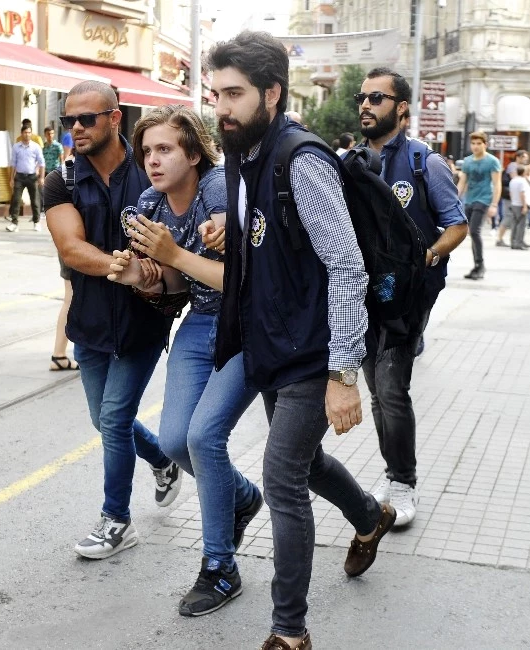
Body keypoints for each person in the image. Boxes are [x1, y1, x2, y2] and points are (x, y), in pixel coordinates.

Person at [208, 31, 396, 650]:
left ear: (271, 92)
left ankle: (289, 629)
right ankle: (370, 516)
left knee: (282, 478)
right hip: (273, 347)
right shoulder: (247, 156)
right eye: (215, 94)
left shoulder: (301, 160)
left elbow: (346, 267)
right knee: (307, 464)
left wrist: (345, 373)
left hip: (313, 354)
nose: (221, 107)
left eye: (233, 94)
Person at [107, 105, 262, 617]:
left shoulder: (219, 190)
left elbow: (243, 284)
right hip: (199, 322)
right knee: (174, 440)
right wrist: (143, 279)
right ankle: (240, 496)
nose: (152, 160)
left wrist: (173, 257)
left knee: (203, 437)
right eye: (147, 150)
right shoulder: (149, 204)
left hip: (247, 325)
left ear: (193, 153)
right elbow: (176, 286)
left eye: (166, 149)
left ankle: (220, 567)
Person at [44, 80, 182, 559]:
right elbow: (69, 246)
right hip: (90, 324)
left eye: (87, 119)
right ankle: (163, 459)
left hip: (143, 320)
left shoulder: (150, 169)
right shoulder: (61, 178)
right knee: (105, 421)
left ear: (115, 117)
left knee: (115, 418)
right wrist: (116, 266)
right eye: (69, 121)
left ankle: (116, 520)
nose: (76, 129)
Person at [355, 68, 467, 527]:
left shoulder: (425, 162)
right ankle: (392, 470)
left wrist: (427, 256)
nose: (365, 104)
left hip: (406, 300)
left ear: (401, 107)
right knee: (378, 394)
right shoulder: (352, 161)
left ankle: (404, 482)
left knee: (391, 389)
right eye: (362, 97)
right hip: (362, 296)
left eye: (377, 98)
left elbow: (456, 226)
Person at [457, 131, 501, 279]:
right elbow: (463, 181)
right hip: (469, 200)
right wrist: (455, 199)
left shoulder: (492, 161)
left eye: (478, 143)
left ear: (485, 144)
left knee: (475, 231)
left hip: (484, 199)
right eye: (473, 143)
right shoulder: (468, 161)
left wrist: (494, 204)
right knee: (471, 233)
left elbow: (497, 183)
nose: (475, 146)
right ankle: (477, 266)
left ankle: (480, 265)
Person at [7, 125, 45, 232]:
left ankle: (36, 222)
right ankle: (14, 223)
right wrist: (11, 179)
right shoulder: (16, 147)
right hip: (19, 176)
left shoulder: (36, 147)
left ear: (31, 134)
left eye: (29, 133)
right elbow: (13, 163)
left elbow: (42, 163)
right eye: (25, 132)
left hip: (32, 177)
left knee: (35, 200)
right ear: (21, 133)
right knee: (16, 200)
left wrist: (41, 177)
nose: (27, 135)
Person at [496, 149, 528, 247]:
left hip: (515, 198)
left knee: (514, 219)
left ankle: (517, 240)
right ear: (518, 157)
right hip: (510, 197)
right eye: (524, 157)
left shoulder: (521, 167)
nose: (526, 160)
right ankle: (499, 239)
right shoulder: (513, 166)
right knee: (508, 217)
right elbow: (516, 179)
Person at [508, 165, 528, 250]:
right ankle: (519, 243)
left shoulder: (513, 180)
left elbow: (511, 193)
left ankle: (513, 242)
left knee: (514, 224)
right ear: (523, 172)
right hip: (520, 205)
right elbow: (522, 194)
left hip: (514, 204)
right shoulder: (522, 181)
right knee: (521, 225)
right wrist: (524, 206)